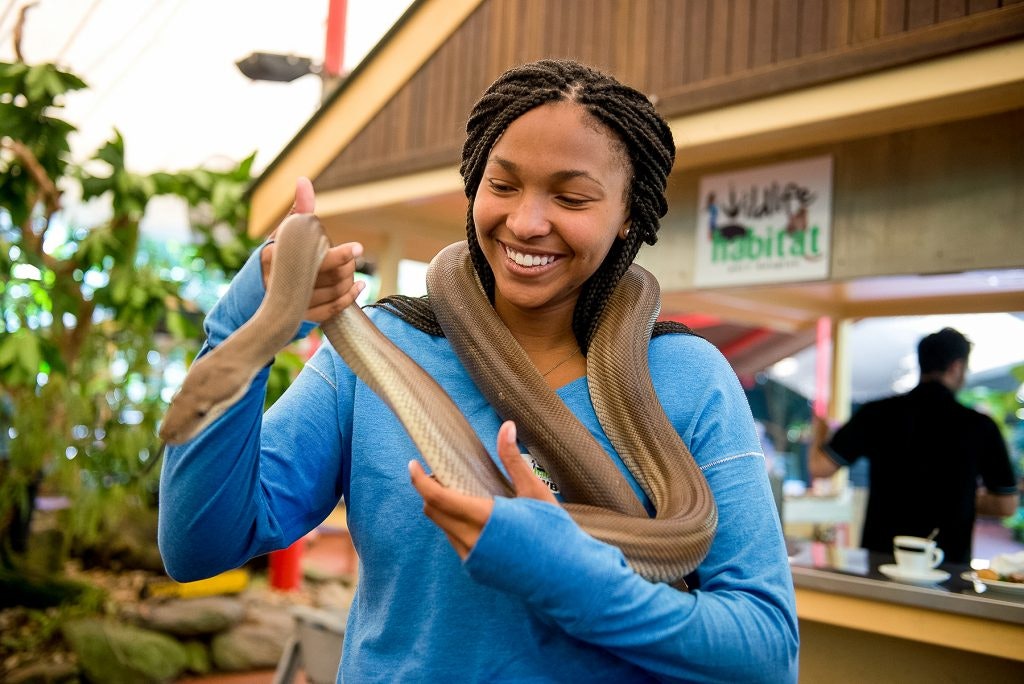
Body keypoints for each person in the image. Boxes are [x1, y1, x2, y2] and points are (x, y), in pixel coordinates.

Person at [159, 59, 798, 682]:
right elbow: (199, 546)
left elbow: (766, 655)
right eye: (502, 184)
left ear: (630, 214)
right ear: (473, 183)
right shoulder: (378, 346)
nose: (525, 222)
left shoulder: (689, 378)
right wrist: (246, 323)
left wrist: (572, 577)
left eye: (572, 196)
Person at [810, 327, 1019, 564]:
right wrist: (960, 495)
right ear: (956, 366)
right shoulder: (980, 426)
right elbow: (1006, 504)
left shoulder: (876, 414)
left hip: (881, 559)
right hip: (946, 564)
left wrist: (819, 432)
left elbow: (820, 468)